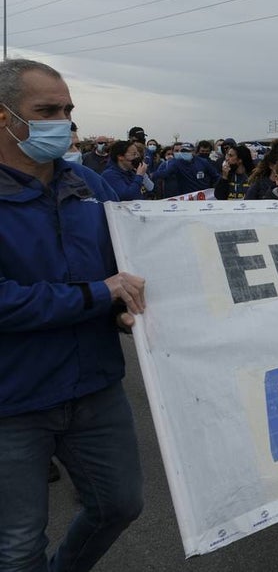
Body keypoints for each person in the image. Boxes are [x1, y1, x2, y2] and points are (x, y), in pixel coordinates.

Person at [0, 58, 146, 572]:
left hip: (95, 388)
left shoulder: (88, 185)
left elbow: (124, 267)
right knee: (18, 546)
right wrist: (99, 295)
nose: (62, 121)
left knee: (120, 505)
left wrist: (122, 310)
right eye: (46, 111)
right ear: (3, 117)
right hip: (13, 401)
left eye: (67, 110)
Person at [152, 141, 220, 197]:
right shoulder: (176, 163)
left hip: (203, 196)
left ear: (193, 152)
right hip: (186, 197)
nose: (185, 153)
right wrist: (151, 175)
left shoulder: (203, 162)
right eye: (183, 151)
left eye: (188, 151)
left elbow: (215, 176)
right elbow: (165, 173)